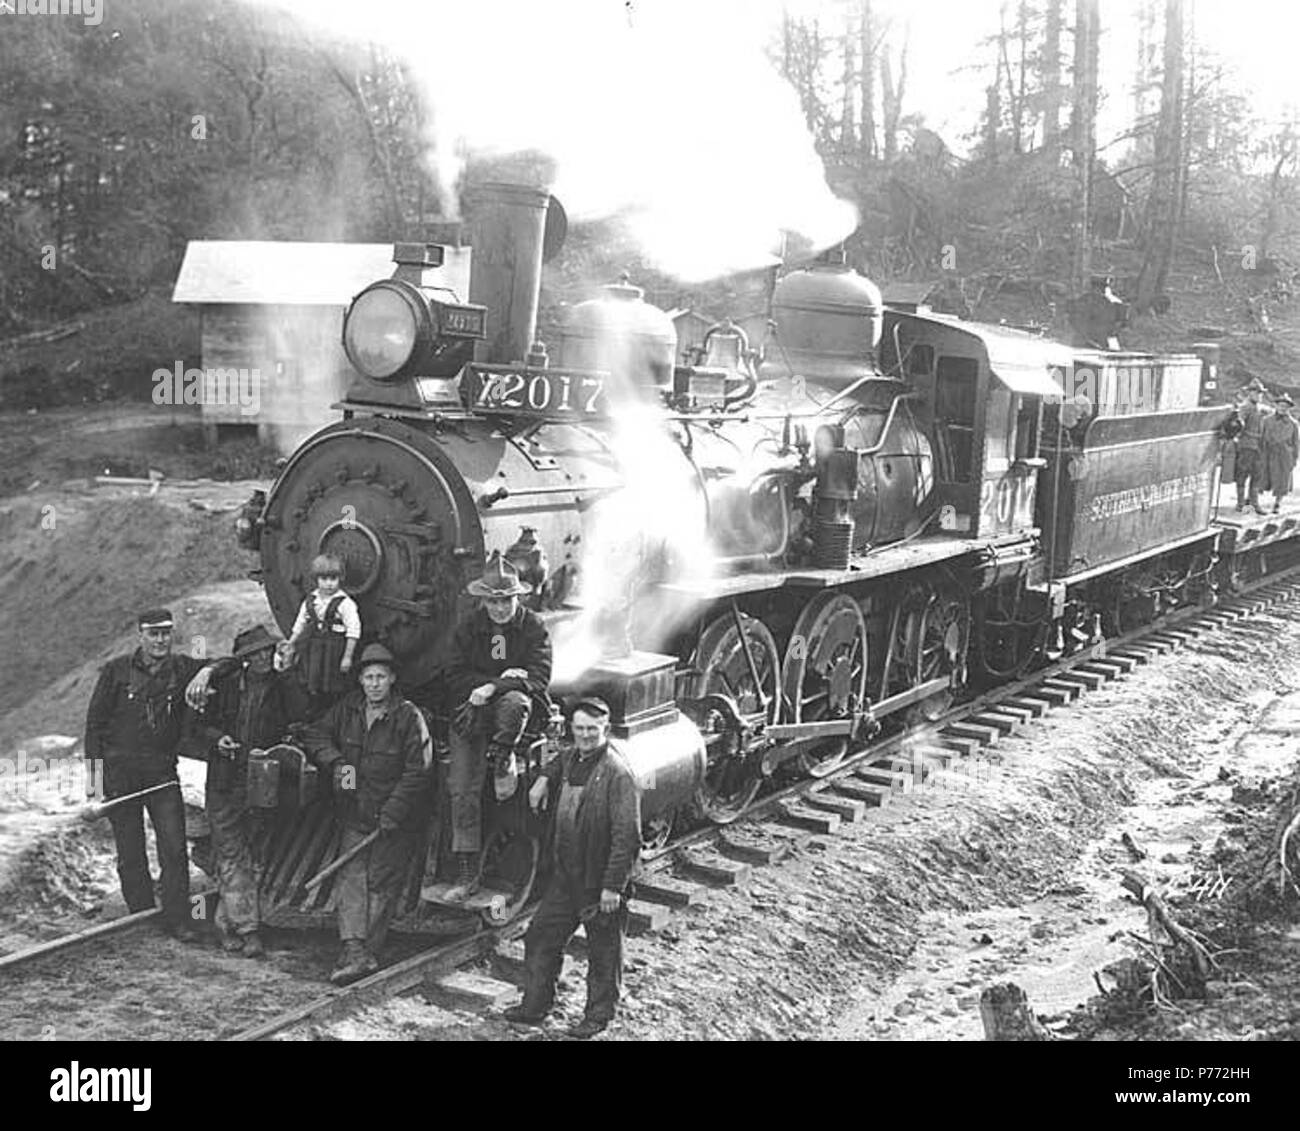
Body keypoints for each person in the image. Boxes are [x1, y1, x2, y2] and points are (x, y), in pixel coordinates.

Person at [83, 609, 231, 941]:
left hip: (162, 773)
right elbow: (93, 727)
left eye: (166, 633)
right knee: (131, 852)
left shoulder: (182, 666)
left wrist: (206, 671)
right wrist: (94, 785)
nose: (160, 640)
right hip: (120, 776)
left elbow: (228, 662)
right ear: (141, 635)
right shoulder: (116, 671)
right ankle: (141, 917)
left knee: (174, 848)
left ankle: (178, 920)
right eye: (154, 634)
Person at [503, 698, 641, 1039]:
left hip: (598, 881)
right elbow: (559, 760)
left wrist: (612, 886)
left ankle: (598, 1016)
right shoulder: (571, 757)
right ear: (571, 730)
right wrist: (542, 780)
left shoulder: (617, 773)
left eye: (592, 730)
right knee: (541, 935)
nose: (585, 735)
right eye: (579, 729)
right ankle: (535, 1006)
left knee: (604, 952)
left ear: (605, 730)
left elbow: (629, 836)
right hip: (566, 875)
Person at [302, 643, 432, 985]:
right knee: (351, 876)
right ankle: (354, 948)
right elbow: (315, 733)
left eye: (381, 677)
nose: (374, 684)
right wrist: (336, 761)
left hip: (393, 818)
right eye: (369, 677)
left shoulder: (408, 716)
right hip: (356, 812)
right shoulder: (349, 709)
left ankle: (365, 949)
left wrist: (394, 811)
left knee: (380, 881)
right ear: (360, 680)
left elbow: (418, 771)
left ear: (391, 680)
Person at [192, 624, 308, 957]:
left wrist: (287, 674)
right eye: (254, 653)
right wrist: (218, 739)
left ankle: (226, 923)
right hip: (225, 781)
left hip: (262, 784)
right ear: (243, 659)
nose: (262, 658)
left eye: (266, 651)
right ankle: (249, 930)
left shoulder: (283, 686)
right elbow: (196, 727)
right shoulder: (226, 686)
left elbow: (302, 716)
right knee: (231, 854)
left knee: (254, 854)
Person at [443, 551, 552, 901]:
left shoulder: (533, 626)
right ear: (484, 600)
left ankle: (504, 756)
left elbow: (538, 678)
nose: (500, 609)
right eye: (493, 602)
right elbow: (454, 676)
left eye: (506, 601)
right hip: (473, 712)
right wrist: (497, 680)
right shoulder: (469, 627)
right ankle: (465, 871)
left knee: (515, 702)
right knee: (462, 787)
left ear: (517, 598)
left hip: (515, 716)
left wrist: (495, 686)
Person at [284, 554, 361, 713]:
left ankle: (334, 710)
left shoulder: (345, 603)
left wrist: (347, 656)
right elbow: (300, 623)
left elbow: (353, 631)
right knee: (312, 678)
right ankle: (314, 707)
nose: (328, 584)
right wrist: (291, 642)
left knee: (332, 682)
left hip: (334, 649)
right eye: (323, 579)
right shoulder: (310, 601)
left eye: (333, 579)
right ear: (316, 579)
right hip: (313, 647)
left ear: (340, 579)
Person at [1262, 393, 1300, 514]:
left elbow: (1296, 443)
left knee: (1283, 480)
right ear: (1276, 406)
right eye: (1280, 405)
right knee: (1262, 476)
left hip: (1285, 455)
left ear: (1289, 408)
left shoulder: (1293, 424)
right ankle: (1252, 502)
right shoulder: (1267, 420)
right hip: (1269, 452)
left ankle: (1277, 503)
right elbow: (1262, 438)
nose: (1282, 408)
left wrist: (1294, 458)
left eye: (1285, 406)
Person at [1235, 378, 1268, 513]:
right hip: (1247, 445)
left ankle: (1254, 503)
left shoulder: (1260, 408)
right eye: (1256, 393)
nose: (1259, 395)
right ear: (1250, 393)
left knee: (1257, 474)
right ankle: (1241, 503)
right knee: (1243, 474)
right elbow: (1238, 423)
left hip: (1259, 446)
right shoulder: (1245, 407)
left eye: (1260, 393)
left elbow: (1270, 412)